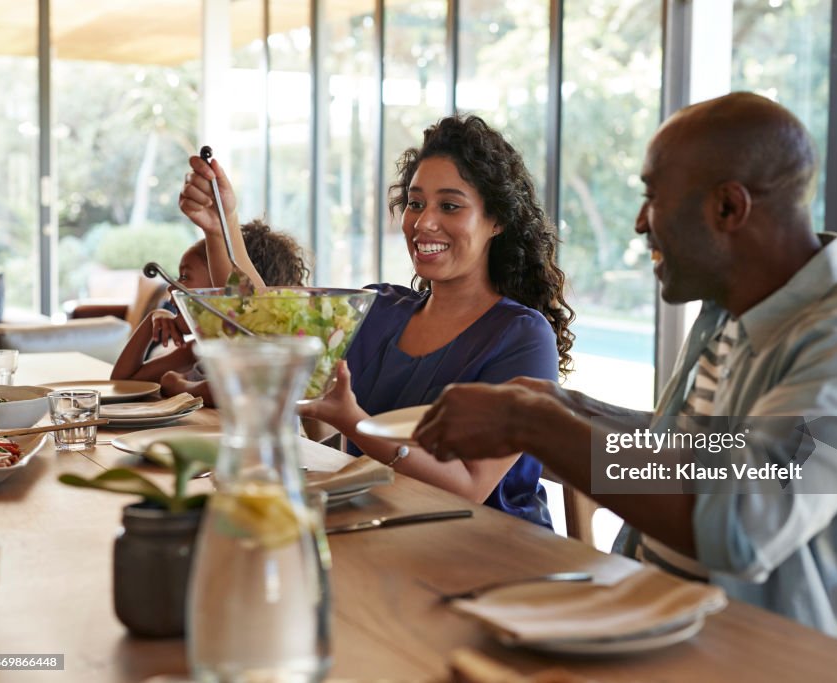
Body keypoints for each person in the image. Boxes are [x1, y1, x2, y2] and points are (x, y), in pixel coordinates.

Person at [411, 92, 837, 639]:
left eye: (654, 197)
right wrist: (562, 405)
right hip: (654, 622)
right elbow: (693, 453)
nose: (640, 222)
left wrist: (533, 424)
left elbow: (742, 525)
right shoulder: (728, 312)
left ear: (728, 208)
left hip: (758, 655)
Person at [179, 115, 575, 527]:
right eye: (416, 203)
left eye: (450, 206)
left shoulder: (521, 336)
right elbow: (260, 323)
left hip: (488, 551)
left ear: (498, 221)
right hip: (375, 527)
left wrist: (354, 422)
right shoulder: (380, 308)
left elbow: (468, 486)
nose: (423, 223)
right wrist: (219, 226)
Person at [111, 220, 310, 405]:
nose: (173, 288)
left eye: (185, 276)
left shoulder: (260, 351)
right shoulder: (196, 349)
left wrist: (177, 385)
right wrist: (151, 320)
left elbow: (224, 390)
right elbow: (123, 383)